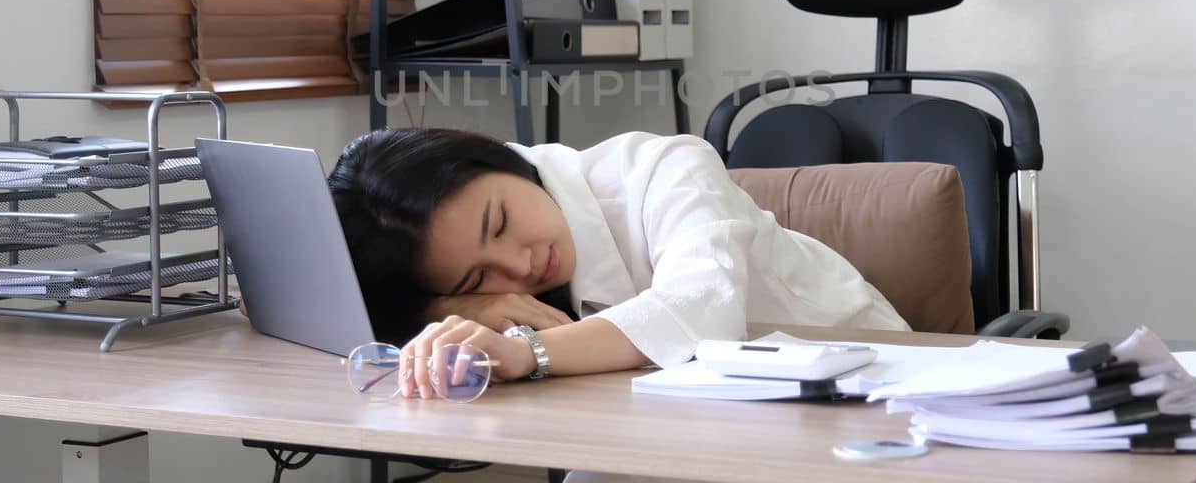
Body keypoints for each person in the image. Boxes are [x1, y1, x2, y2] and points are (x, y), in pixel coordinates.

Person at [328, 127, 909, 399]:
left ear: (498, 157)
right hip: (704, 409)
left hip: (876, 386)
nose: (522, 265)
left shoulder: (664, 165)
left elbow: (701, 312)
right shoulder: (475, 271)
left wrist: (524, 353)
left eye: (500, 222)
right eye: (479, 277)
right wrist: (445, 305)